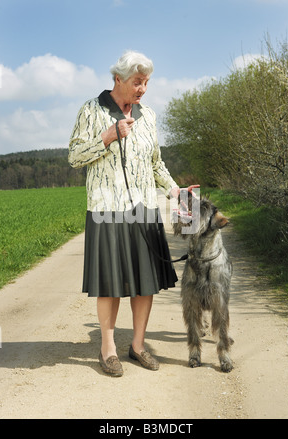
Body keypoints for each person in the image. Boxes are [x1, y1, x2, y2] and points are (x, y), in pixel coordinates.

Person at [68, 50, 182, 377]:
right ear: (118, 79)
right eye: (137, 82)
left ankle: (138, 346)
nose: (142, 88)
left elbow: (156, 162)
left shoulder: (149, 115)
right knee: (110, 284)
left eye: (146, 82)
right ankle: (108, 349)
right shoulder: (91, 110)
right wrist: (107, 137)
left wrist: (174, 190)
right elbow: (75, 156)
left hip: (144, 209)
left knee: (144, 283)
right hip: (106, 209)